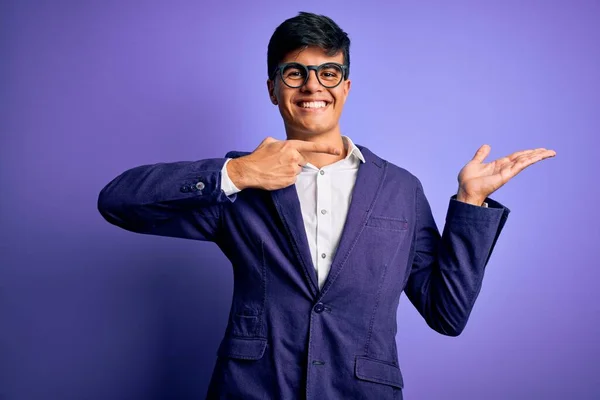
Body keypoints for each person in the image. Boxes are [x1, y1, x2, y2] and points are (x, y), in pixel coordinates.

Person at [97, 11, 556, 400]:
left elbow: (447, 313)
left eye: (328, 72)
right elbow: (118, 202)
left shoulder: (399, 187)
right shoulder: (242, 180)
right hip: (253, 388)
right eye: (294, 72)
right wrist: (236, 175)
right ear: (274, 88)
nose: (312, 85)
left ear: (346, 86)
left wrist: (470, 202)